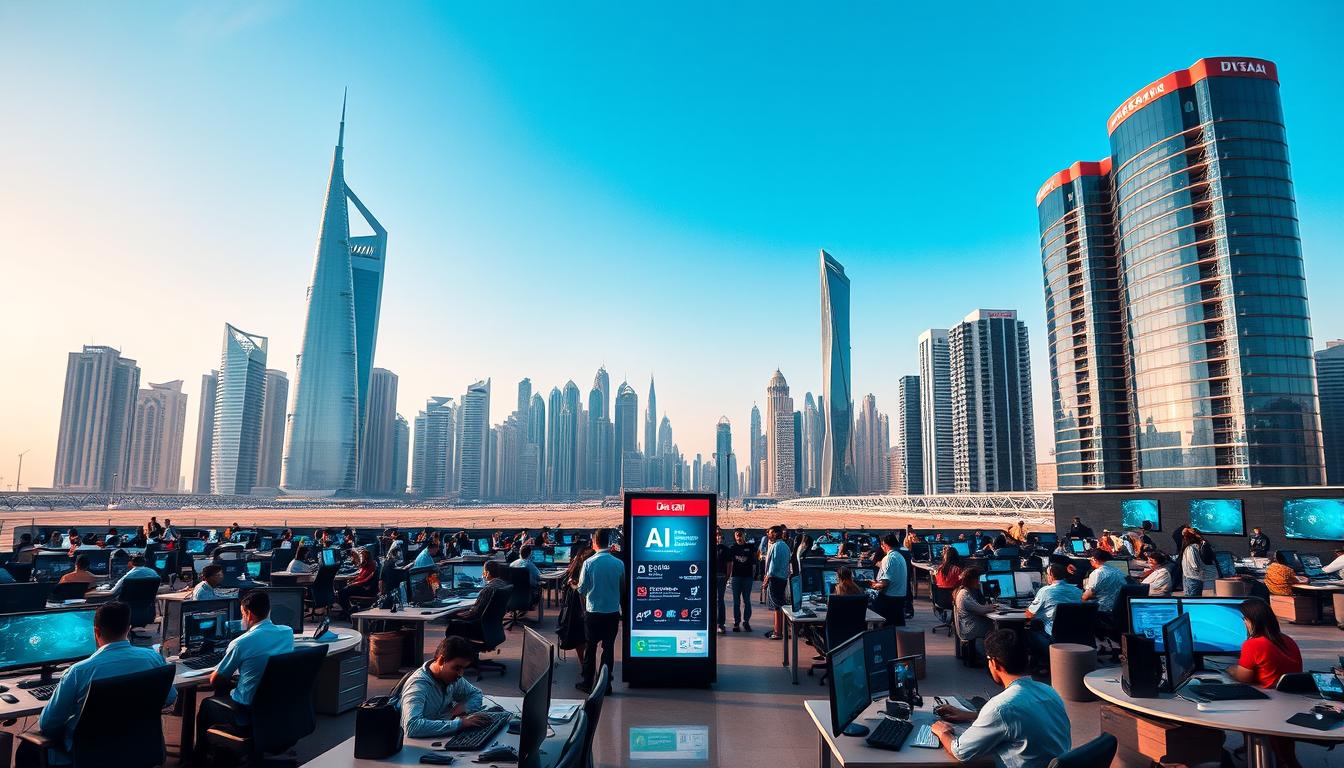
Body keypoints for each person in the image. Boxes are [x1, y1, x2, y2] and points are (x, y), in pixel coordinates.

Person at [18, 602, 175, 768]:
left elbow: (48, 724)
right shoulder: (153, 658)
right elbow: (170, 697)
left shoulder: (79, 672)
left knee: (27, 748)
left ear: (96, 631)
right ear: (128, 629)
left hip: (88, 756)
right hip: (140, 748)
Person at [931, 629, 1071, 766]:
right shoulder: (1049, 691)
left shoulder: (1000, 707)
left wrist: (942, 731)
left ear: (994, 663)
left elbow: (960, 751)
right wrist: (972, 715)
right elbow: (1025, 717)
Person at [194, 591, 295, 761]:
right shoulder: (287, 633)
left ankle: (200, 758)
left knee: (207, 705)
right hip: (278, 706)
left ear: (249, 614)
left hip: (249, 709)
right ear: (268, 610)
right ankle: (225, 751)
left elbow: (216, 680)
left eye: (242, 614)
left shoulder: (241, 642)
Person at [1226, 598, 1303, 768]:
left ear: (1251, 621)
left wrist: (1230, 670)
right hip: (1291, 700)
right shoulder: (1287, 640)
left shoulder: (1253, 645)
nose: (1244, 623)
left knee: (1287, 760)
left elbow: (1244, 677)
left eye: (1244, 620)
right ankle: (1249, 746)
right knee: (1286, 755)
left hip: (1271, 705)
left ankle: (1255, 748)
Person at [398, 636, 491, 738]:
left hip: (439, 738)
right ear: (441, 660)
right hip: (417, 746)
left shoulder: (452, 679)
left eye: (463, 668)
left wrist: (465, 707)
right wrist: (461, 724)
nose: (460, 674)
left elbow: (475, 694)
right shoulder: (418, 685)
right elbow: (412, 727)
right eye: (457, 668)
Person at [575, 528, 623, 694]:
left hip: (593, 613)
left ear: (594, 542)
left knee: (591, 648)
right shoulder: (619, 564)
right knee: (608, 650)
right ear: (609, 542)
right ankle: (606, 685)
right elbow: (622, 587)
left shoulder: (589, 563)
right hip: (612, 613)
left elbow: (581, 589)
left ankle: (588, 683)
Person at [1024, 563, 1083, 659]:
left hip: (1053, 638)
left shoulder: (1045, 591)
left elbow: (1029, 615)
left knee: (1028, 629)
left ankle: (1036, 662)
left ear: (1050, 576)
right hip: (1077, 636)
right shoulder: (1077, 590)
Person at [953, 568, 996, 651]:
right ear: (972, 580)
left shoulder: (965, 591)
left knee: (992, 622)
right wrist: (994, 607)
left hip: (969, 624)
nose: (979, 582)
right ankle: (990, 654)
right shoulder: (965, 595)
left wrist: (990, 607)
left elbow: (979, 608)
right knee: (997, 627)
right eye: (978, 579)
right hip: (970, 628)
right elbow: (981, 610)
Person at [871, 534, 908, 627]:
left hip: (890, 599)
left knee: (872, 609)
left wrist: (873, 585)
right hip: (900, 596)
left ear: (886, 545)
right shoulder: (900, 557)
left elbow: (885, 583)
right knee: (898, 627)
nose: (882, 548)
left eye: (882, 546)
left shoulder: (888, 559)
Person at [762, 526, 791, 640]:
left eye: (769, 533)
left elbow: (772, 567)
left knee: (777, 606)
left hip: (775, 579)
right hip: (782, 578)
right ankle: (777, 629)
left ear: (775, 533)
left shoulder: (776, 546)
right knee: (778, 605)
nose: (768, 535)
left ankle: (778, 632)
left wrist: (766, 580)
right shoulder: (785, 546)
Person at [1081, 549, 1125, 614]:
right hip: (1118, 609)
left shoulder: (1097, 573)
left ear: (1094, 559)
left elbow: (1086, 597)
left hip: (1102, 610)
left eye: (1090, 559)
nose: (1090, 561)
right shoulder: (1119, 572)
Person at [728, 528, 755, 633]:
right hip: (736, 577)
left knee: (747, 601)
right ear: (735, 536)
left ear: (744, 535)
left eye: (740, 535)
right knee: (736, 602)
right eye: (737, 535)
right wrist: (729, 577)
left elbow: (754, 562)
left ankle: (746, 621)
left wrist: (753, 575)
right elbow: (729, 563)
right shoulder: (732, 548)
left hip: (747, 577)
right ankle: (736, 622)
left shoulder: (750, 547)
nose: (739, 537)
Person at [337, 548, 378, 614]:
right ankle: (348, 609)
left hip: (366, 589)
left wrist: (353, 583)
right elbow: (361, 577)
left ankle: (347, 611)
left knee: (342, 592)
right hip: (363, 586)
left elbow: (365, 580)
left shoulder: (371, 566)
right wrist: (353, 581)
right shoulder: (367, 565)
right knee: (343, 591)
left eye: (362, 557)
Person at [1179, 529, 1207, 596]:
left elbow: (1194, 564)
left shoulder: (1190, 548)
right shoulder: (1193, 547)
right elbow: (1194, 564)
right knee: (1195, 598)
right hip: (1194, 577)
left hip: (1191, 577)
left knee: (1192, 598)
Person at [715, 528, 731, 634]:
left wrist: (727, 576)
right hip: (709, 578)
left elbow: (729, 564)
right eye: (716, 534)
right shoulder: (707, 546)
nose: (718, 536)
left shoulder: (725, 549)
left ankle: (721, 624)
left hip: (721, 576)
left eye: (719, 534)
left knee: (719, 600)